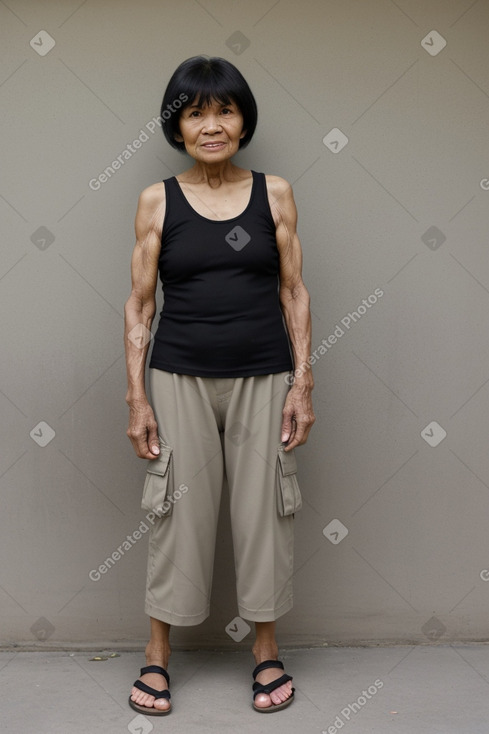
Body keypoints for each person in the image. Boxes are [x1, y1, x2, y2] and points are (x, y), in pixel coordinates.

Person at [124, 55, 315, 716]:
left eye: (224, 110)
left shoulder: (275, 193)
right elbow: (139, 306)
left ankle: (265, 654)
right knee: (175, 513)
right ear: (177, 126)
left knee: (264, 511)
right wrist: (137, 398)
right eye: (195, 112)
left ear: (242, 120)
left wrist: (302, 384)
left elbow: (293, 290)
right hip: (177, 376)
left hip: (265, 374)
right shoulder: (158, 199)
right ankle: (157, 657)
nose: (211, 124)